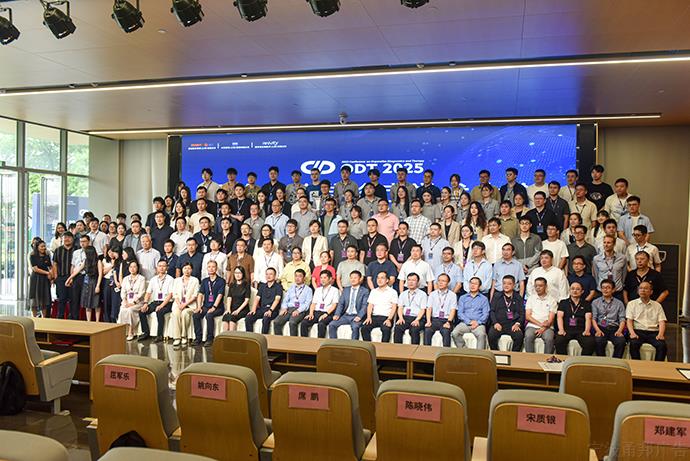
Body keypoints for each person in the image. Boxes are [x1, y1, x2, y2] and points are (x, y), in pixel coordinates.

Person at [626, 281, 667, 361]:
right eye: (641, 288)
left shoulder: (657, 305)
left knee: (662, 346)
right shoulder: (631, 304)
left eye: (645, 288)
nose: (643, 290)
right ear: (638, 291)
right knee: (634, 344)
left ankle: (657, 366)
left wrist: (661, 334)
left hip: (653, 332)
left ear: (651, 292)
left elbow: (662, 321)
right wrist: (632, 333)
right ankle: (637, 366)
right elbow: (629, 321)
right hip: (638, 331)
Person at [191, 260, 226, 347]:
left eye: (213, 267)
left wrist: (214, 307)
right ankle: (198, 338)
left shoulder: (221, 281)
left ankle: (210, 338)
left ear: (216, 268)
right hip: (206, 306)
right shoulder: (205, 281)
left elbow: (220, 295)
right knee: (196, 315)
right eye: (209, 267)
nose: (211, 269)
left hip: (218, 307)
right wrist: (199, 307)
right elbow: (200, 294)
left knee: (209, 315)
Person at [555, 281, 595, 355]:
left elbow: (588, 318)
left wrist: (587, 330)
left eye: (577, 289)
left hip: (581, 330)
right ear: (569, 290)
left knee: (590, 342)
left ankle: (582, 361)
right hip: (566, 330)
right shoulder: (563, 302)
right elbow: (559, 317)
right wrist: (561, 330)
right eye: (572, 289)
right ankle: (564, 360)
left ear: (582, 291)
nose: (575, 291)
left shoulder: (586, 303)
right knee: (559, 341)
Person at [139, 260, 174, 342]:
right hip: (155, 302)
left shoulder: (170, 279)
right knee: (142, 311)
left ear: (167, 267)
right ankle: (146, 332)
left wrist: (161, 306)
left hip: (167, 303)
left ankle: (159, 335)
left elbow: (170, 295)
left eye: (164, 266)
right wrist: (145, 303)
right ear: (157, 268)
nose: (161, 268)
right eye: (160, 266)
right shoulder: (153, 279)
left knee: (160, 311)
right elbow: (148, 293)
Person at [591, 279, 627, 358]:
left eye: (608, 287)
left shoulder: (619, 303)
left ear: (613, 290)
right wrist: (598, 330)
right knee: (598, 341)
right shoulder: (595, 302)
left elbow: (622, 319)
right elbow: (593, 318)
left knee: (621, 342)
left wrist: (619, 331)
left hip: (614, 328)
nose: (605, 289)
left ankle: (615, 362)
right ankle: (602, 362)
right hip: (601, 327)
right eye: (603, 287)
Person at [487, 275, 524, 351]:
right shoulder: (497, 296)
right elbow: (492, 311)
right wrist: (495, 323)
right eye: (504, 283)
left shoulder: (518, 297)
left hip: (512, 325)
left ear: (514, 285)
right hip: (499, 324)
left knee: (519, 336)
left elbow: (522, 313)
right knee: (491, 334)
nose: (506, 285)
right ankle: (496, 354)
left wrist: (517, 324)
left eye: (509, 284)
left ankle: (514, 355)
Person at [328, 271, 369, 339]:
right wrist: (337, 314)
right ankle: (334, 343)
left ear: (360, 279)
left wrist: (359, 316)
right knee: (332, 324)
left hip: (356, 315)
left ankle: (353, 345)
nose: (353, 279)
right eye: (351, 278)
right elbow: (341, 304)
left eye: (355, 278)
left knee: (355, 327)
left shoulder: (365, 291)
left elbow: (365, 305)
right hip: (346, 315)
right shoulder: (346, 290)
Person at [450, 276, 488, 348]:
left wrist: (478, 322)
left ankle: (480, 354)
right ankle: (464, 350)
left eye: (475, 284)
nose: (472, 285)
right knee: (454, 333)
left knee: (482, 335)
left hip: (478, 324)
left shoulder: (484, 299)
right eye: (471, 283)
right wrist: (469, 322)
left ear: (479, 286)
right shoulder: (463, 298)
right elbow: (460, 313)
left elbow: (485, 314)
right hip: (465, 323)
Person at [273, 269, 314, 336]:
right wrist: (284, 308)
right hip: (288, 309)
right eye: (296, 276)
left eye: (300, 276)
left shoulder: (308, 290)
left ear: (304, 278)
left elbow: (307, 304)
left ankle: (293, 341)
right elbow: (285, 300)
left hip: (300, 310)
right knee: (276, 322)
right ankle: (280, 340)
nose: (297, 278)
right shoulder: (291, 288)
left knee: (292, 322)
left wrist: (298, 310)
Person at [361, 271, 398, 342]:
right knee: (364, 328)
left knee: (386, 329)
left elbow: (394, 307)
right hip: (374, 317)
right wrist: (368, 317)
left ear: (387, 280)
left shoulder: (393, 292)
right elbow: (370, 306)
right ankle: (369, 346)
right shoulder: (373, 291)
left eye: (382, 278)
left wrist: (389, 319)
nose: (379, 280)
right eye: (378, 278)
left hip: (386, 317)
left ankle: (383, 348)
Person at [300, 271, 339, 338]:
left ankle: (320, 342)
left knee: (321, 323)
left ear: (330, 279)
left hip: (328, 313)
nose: (322, 280)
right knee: (304, 323)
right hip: (316, 312)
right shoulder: (318, 290)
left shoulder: (335, 290)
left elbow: (334, 305)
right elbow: (313, 303)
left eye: (325, 278)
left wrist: (326, 314)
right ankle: (304, 342)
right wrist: (311, 313)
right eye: (321, 278)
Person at [524, 277, 557, 354]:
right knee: (528, 336)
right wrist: (540, 324)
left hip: (548, 327)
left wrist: (543, 328)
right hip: (532, 325)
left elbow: (551, 319)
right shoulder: (531, 298)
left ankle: (547, 359)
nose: (538, 288)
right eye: (536, 286)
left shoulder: (552, 300)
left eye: (540, 286)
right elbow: (528, 316)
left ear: (546, 286)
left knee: (549, 338)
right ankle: (530, 358)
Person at [392, 273, 428, 344]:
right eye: (409, 280)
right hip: (405, 317)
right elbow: (400, 307)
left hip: (418, 318)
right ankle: (397, 349)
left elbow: (423, 309)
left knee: (414, 330)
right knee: (398, 328)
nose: (410, 282)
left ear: (418, 282)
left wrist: (417, 320)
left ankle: (414, 350)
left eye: (413, 280)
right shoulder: (403, 294)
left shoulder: (423, 294)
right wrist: (400, 318)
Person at [425, 274, 459, 347]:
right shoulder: (432, 294)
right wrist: (428, 321)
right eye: (439, 280)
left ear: (448, 283)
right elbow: (429, 308)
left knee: (446, 331)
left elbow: (453, 310)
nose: (440, 283)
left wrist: (449, 322)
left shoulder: (452, 295)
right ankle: (426, 352)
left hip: (446, 320)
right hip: (434, 320)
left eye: (443, 281)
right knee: (427, 330)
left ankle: (446, 352)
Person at [118, 260, 147, 341]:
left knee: (130, 310)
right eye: (131, 267)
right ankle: (123, 331)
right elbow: (123, 292)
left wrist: (133, 303)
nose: (132, 268)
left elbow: (142, 292)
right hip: (127, 300)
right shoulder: (125, 279)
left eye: (134, 267)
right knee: (122, 309)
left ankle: (131, 331)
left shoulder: (141, 278)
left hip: (138, 302)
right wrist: (124, 300)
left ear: (137, 268)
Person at [221, 266, 252, 333]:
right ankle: (225, 337)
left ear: (243, 274)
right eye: (236, 273)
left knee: (232, 317)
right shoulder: (232, 284)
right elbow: (229, 297)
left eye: (239, 273)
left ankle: (232, 337)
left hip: (242, 309)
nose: (237, 275)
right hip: (233, 308)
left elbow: (246, 300)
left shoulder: (246, 285)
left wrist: (238, 310)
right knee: (225, 317)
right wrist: (228, 309)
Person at [66, 234, 90, 320]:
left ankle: (84, 319)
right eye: (81, 242)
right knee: (74, 298)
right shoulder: (76, 252)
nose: (82, 243)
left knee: (85, 298)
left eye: (84, 241)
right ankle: (74, 317)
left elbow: (83, 266)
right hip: (76, 277)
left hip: (86, 276)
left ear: (89, 242)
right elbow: (73, 265)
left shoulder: (91, 252)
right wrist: (71, 277)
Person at [52, 232, 75, 319]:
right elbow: (54, 264)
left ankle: (72, 318)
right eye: (65, 237)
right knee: (61, 299)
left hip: (73, 278)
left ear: (72, 239)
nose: (67, 239)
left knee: (73, 299)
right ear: (62, 239)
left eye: (69, 237)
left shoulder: (77, 249)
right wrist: (56, 277)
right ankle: (60, 317)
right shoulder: (58, 250)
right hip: (61, 278)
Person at [29, 240, 53, 318]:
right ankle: (34, 317)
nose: (43, 248)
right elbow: (35, 269)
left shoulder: (47, 255)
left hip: (45, 279)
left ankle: (44, 318)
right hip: (35, 279)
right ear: (37, 247)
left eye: (44, 246)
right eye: (42, 246)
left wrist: (51, 275)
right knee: (34, 298)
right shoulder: (33, 255)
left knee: (44, 298)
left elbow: (50, 266)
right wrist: (47, 273)